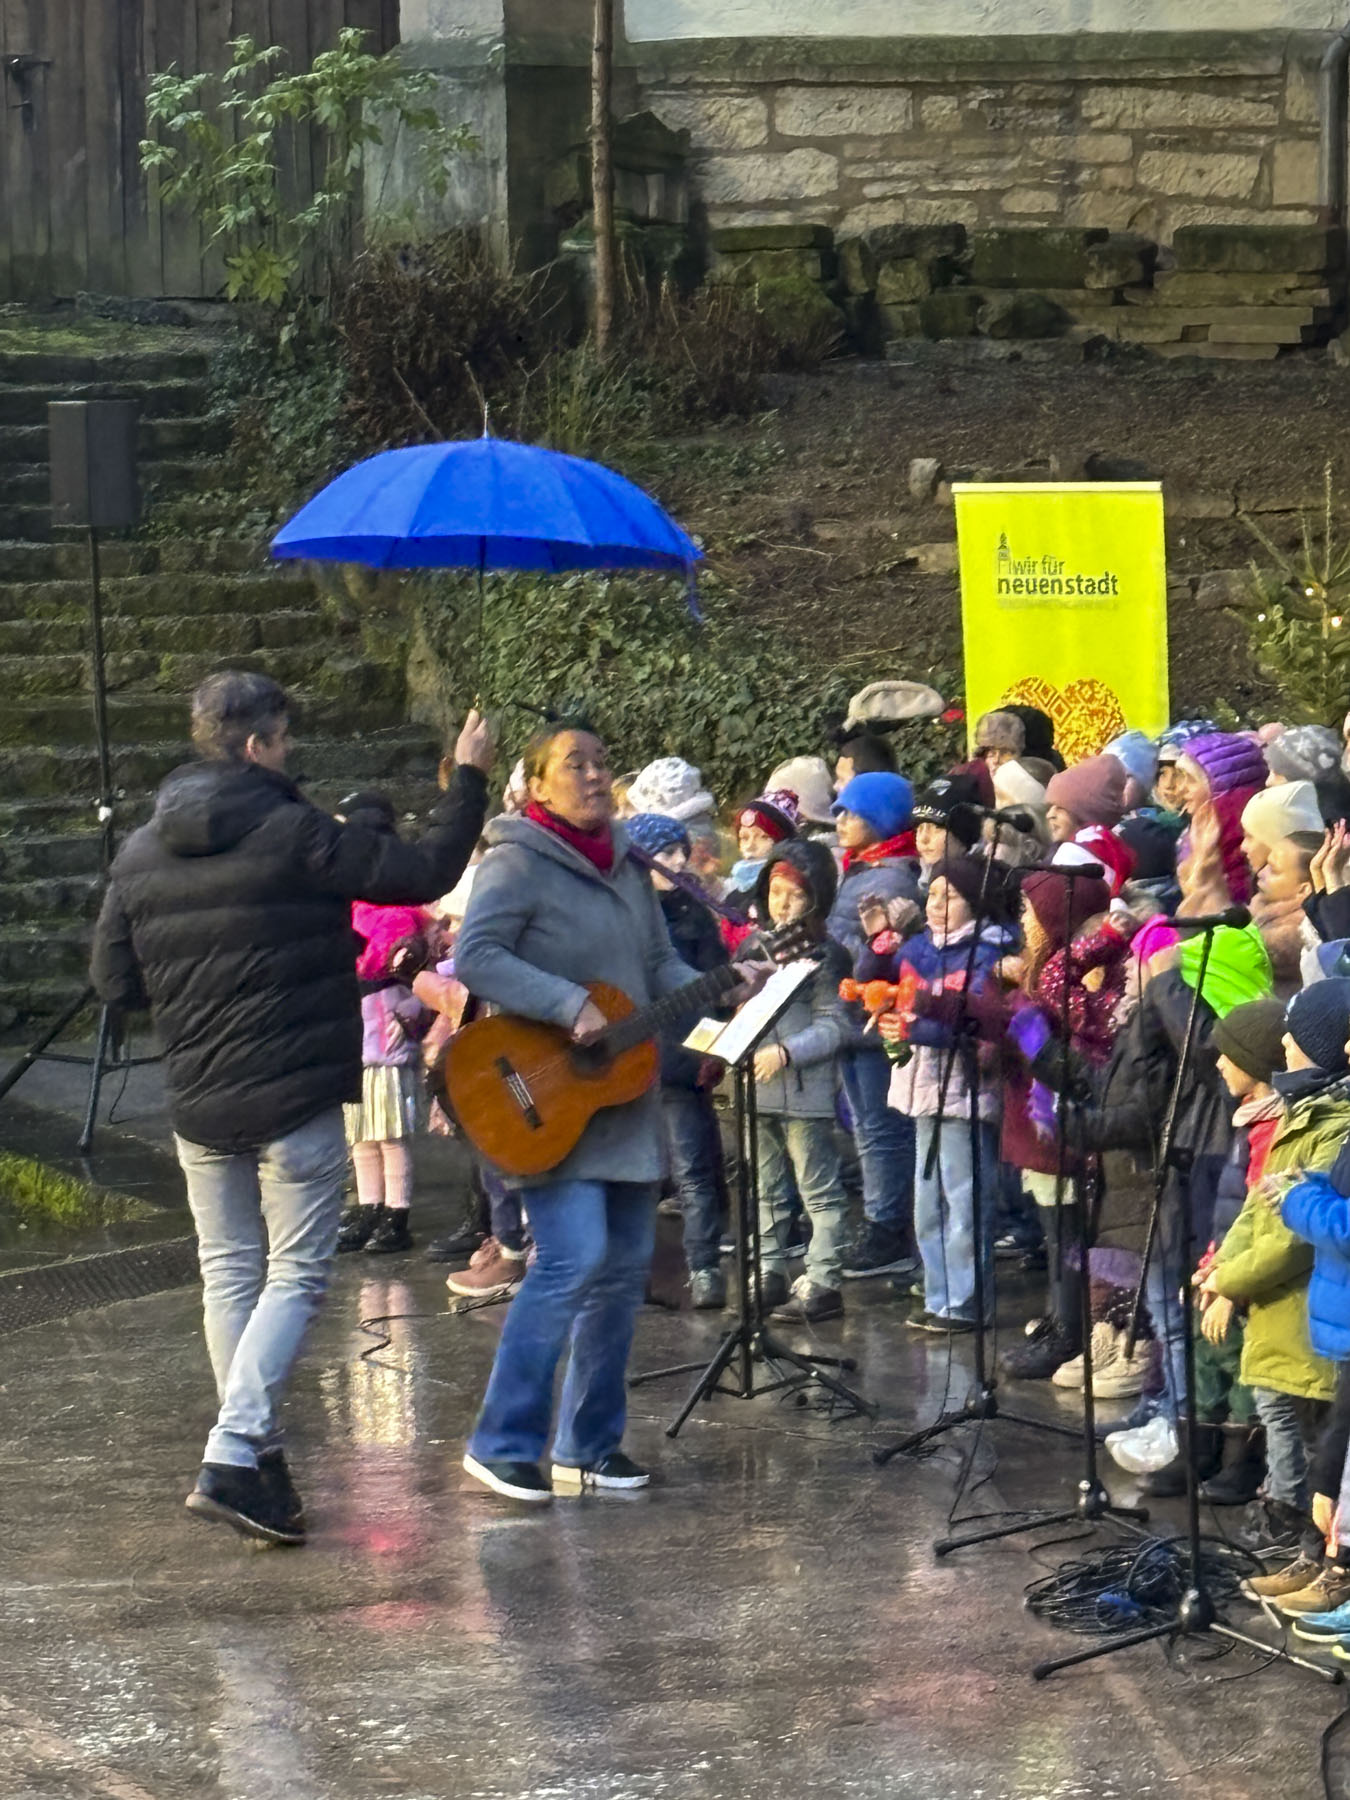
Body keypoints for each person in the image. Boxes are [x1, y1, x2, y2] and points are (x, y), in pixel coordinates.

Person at [90, 672, 491, 1544]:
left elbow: (114, 982)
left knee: (230, 1271)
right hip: (293, 1087)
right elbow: (422, 872)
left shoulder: (139, 850)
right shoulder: (295, 829)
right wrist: (467, 777)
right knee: (296, 1273)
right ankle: (234, 1450)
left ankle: (259, 1462)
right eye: (283, 739)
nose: (290, 751)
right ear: (256, 745)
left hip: (198, 1092)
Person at [452, 722, 763, 1504]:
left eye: (601, 763)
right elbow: (477, 957)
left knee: (621, 1275)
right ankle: (500, 1443)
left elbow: (657, 965)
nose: (594, 775)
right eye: (575, 764)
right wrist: (566, 1003)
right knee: (570, 1260)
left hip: (621, 1095)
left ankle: (587, 1447)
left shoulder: (627, 862)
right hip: (542, 1096)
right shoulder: (515, 861)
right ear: (537, 783)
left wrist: (724, 983)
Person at [1199, 982, 1345, 1555]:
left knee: (1305, 1432)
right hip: (1283, 1311)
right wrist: (1220, 1267)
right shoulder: (1301, 1113)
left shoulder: (1333, 1124)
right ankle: (1300, 1530)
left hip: (1304, 1312)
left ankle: (1296, 1528)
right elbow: (1257, 1207)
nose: (1285, 1043)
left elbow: (1293, 1238)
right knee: (1286, 1418)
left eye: (1295, 1036)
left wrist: (1230, 1281)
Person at [875, 857, 1011, 1330]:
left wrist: (912, 1027)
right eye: (932, 894)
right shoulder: (916, 947)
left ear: (974, 903)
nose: (935, 905)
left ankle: (967, 1300)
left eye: (949, 897)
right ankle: (938, 1295)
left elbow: (972, 1021)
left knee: (964, 1201)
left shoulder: (988, 954)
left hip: (962, 1093)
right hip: (921, 1089)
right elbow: (879, 983)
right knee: (928, 1204)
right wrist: (877, 948)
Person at [743, 840, 852, 1322]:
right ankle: (768, 1269)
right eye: (775, 892)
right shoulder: (753, 947)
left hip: (805, 1090)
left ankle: (824, 1278)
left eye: (795, 895)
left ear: (816, 899)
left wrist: (787, 1052)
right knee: (765, 1187)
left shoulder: (826, 955)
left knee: (817, 1189)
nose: (782, 904)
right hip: (757, 1086)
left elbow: (835, 1024)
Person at [627, 811, 731, 1310]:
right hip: (629, 1062)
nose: (677, 862)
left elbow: (714, 980)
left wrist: (714, 1040)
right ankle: (632, 1272)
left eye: (680, 853)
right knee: (634, 1174)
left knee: (693, 1169)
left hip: (682, 1058)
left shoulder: (696, 912)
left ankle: (704, 1266)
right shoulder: (625, 914)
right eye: (665, 854)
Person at [827, 771, 922, 1280]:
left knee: (881, 1129)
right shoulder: (861, 870)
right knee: (868, 1127)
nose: (840, 821)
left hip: (872, 1020)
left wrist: (825, 944)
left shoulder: (888, 880)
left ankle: (887, 1229)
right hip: (851, 1017)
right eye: (839, 811)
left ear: (881, 820)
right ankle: (883, 1221)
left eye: (852, 812)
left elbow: (876, 955)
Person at [336, 890, 432, 1257]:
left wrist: (413, 1008)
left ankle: (396, 1212)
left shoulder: (400, 920)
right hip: (356, 1047)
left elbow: (424, 973)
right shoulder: (349, 914)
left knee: (390, 1136)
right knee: (361, 1137)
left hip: (387, 1044)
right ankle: (370, 1206)